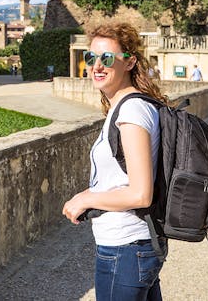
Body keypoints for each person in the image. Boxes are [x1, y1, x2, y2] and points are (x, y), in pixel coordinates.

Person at [62, 21, 167, 300]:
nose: (96, 65)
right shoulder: (127, 106)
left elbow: (141, 194)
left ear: (129, 62)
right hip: (135, 247)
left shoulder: (131, 111)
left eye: (107, 58)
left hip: (125, 248)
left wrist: (87, 199)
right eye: (90, 57)